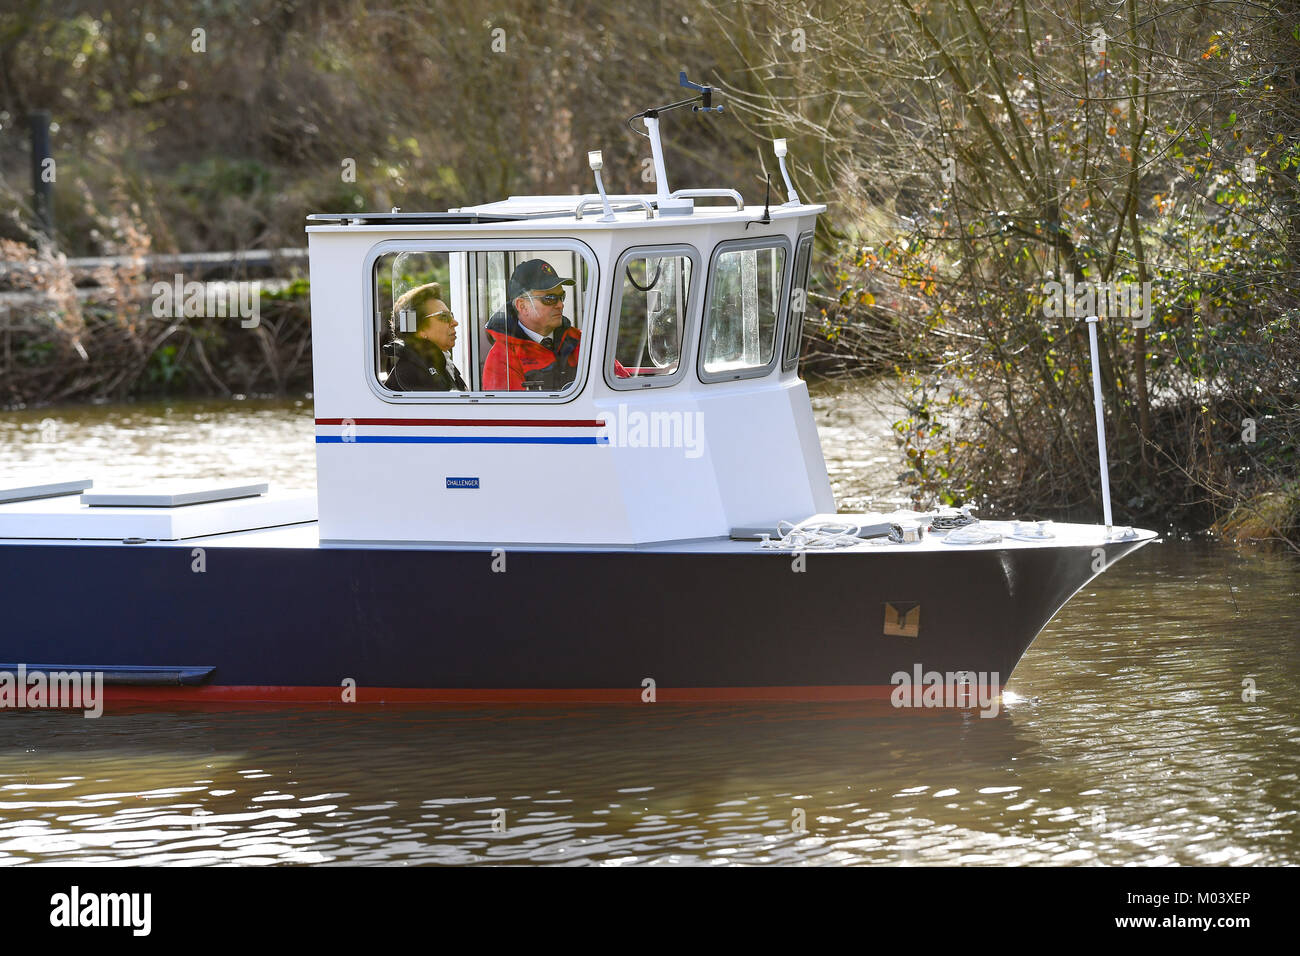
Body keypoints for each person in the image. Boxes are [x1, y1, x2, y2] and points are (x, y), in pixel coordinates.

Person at [482, 259, 630, 391]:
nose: (560, 305)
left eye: (561, 297)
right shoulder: (502, 358)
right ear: (522, 306)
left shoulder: (582, 341)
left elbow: (621, 387)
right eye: (550, 298)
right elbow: (514, 417)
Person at [383, 282, 468, 391]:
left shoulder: (435, 364)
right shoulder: (412, 373)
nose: (455, 322)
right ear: (420, 328)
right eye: (444, 316)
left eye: (451, 315)